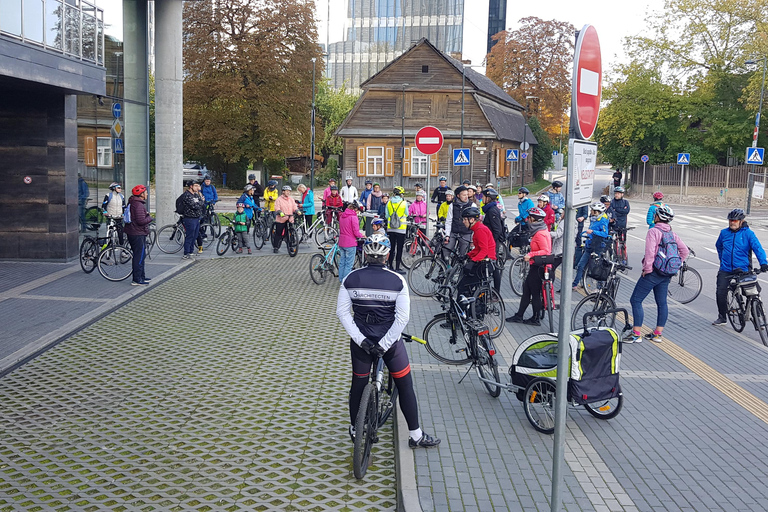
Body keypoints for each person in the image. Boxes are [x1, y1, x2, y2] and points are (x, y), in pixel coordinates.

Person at [337, 234, 441, 448]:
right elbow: (403, 318)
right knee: (405, 385)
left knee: (358, 383)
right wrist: (384, 344)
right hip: (390, 343)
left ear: (365, 254)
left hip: (361, 343)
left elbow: (342, 313)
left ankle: (356, 429)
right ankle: (416, 435)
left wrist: (361, 340)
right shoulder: (398, 280)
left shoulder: (350, 278)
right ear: (387, 256)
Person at [625, 205, 690, 343]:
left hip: (653, 272)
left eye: (655, 215)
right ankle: (657, 334)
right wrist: (675, 264)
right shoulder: (672, 233)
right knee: (662, 303)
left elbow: (650, 252)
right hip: (666, 273)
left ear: (658, 217)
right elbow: (685, 251)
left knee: (636, 300)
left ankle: (636, 334)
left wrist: (647, 269)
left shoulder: (653, 231)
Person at [712, 208, 768, 326]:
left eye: (735, 220)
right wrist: (722, 260)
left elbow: (758, 248)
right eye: (731, 220)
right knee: (720, 293)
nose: (732, 222)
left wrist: (763, 263)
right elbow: (719, 246)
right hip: (726, 269)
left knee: (752, 293)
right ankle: (722, 317)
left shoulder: (748, 234)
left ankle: (757, 318)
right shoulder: (724, 233)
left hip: (743, 269)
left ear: (741, 221)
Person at [506, 207, 552, 325]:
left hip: (538, 266)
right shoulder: (541, 230)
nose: (528, 220)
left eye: (529, 218)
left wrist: (530, 254)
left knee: (534, 292)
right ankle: (519, 315)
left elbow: (546, 251)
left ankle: (535, 318)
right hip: (536, 265)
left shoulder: (540, 234)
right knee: (527, 290)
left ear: (534, 220)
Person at [455, 206, 496, 297]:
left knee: (463, 286)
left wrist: (472, 262)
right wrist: (468, 255)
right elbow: (478, 249)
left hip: (485, 262)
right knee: (465, 286)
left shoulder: (480, 230)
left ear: (472, 219)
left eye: (465, 219)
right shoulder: (477, 229)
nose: (463, 221)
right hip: (482, 260)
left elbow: (484, 250)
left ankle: (466, 308)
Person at [572, 202, 610, 289]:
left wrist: (593, 232)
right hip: (589, 245)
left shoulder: (602, 220)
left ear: (597, 211)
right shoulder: (593, 219)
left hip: (597, 246)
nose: (591, 211)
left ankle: (600, 288)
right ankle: (575, 284)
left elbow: (604, 233)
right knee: (581, 266)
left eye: (592, 210)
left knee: (597, 267)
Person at [124, 185, 153, 286]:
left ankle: (142, 276)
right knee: (139, 256)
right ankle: (137, 279)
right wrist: (149, 217)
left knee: (141, 255)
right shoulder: (139, 205)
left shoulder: (133, 203)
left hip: (133, 232)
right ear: (141, 194)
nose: (147, 194)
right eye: (146, 192)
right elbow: (141, 221)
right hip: (137, 233)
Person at [481, 189, 504, 293]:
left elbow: (497, 230)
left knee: (494, 268)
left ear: (488, 198)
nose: (482, 198)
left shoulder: (492, 210)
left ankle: (496, 291)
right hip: (489, 242)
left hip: (492, 243)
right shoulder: (489, 209)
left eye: (483, 197)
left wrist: (491, 243)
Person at [444, 185, 476, 258]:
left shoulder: (472, 205)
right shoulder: (452, 205)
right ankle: (445, 266)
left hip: (466, 233)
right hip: (454, 232)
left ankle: (461, 267)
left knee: (463, 255)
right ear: (458, 195)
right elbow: (449, 220)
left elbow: (475, 223)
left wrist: (472, 239)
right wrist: (447, 235)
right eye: (464, 195)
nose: (466, 197)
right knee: (446, 249)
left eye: (467, 194)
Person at [338, 201, 366, 283]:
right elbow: (356, 232)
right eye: (358, 211)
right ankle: (346, 281)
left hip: (342, 242)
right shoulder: (353, 217)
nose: (358, 213)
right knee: (349, 264)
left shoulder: (342, 216)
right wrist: (362, 236)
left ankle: (341, 279)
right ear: (355, 209)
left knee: (342, 262)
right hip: (350, 243)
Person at [178, 180, 204, 259]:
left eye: (198, 186)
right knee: (189, 235)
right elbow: (194, 206)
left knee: (195, 235)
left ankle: (191, 251)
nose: (197, 188)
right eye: (195, 186)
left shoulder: (196, 195)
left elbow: (200, 204)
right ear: (191, 186)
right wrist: (201, 202)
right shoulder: (187, 195)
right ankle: (186, 253)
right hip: (189, 218)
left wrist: (200, 202)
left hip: (197, 218)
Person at [386, 186, 409, 273]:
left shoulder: (389, 203)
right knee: (399, 248)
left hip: (391, 228)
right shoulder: (404, 203)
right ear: (401, 194)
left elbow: (387, 216)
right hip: (401, 229)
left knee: (391, 248)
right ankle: (397, 267)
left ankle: (390, 266)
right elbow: (406, 214)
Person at [273, 185, 298, 253]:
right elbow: (277, 208)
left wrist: (297, 211)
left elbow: (294, 206)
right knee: (279, 233)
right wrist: (279, 212)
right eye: (287, 191)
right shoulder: (279, 199)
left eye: (289, 191)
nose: (288, 193)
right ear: (283, 192)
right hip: (281, 219)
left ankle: (290, 246)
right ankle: (276, 247)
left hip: (290, 218)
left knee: (290, 233)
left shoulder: (291, 199)